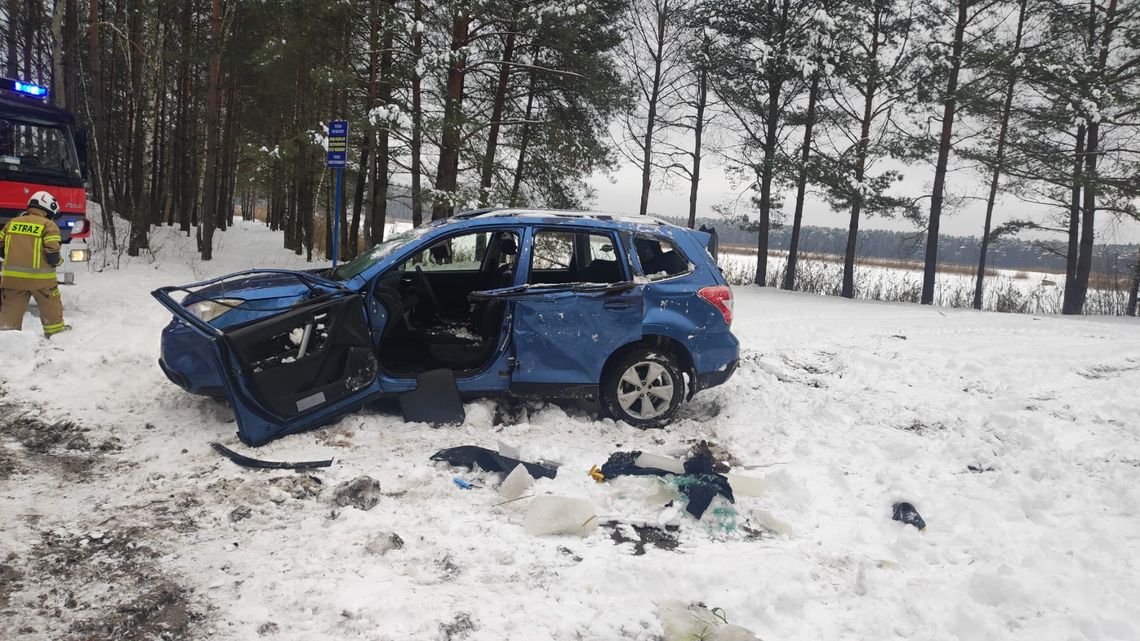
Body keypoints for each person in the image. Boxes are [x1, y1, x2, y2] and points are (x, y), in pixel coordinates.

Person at [0, 190, 69, 337]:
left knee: (10, 310)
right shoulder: (49, 226)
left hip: (12, 279)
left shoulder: (12, 223)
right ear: (47, 209)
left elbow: (1, 248)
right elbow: (52, 255)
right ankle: (56, 333)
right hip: (42, 281)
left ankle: (7, 337)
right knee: (51, 304)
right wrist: (59, 261)